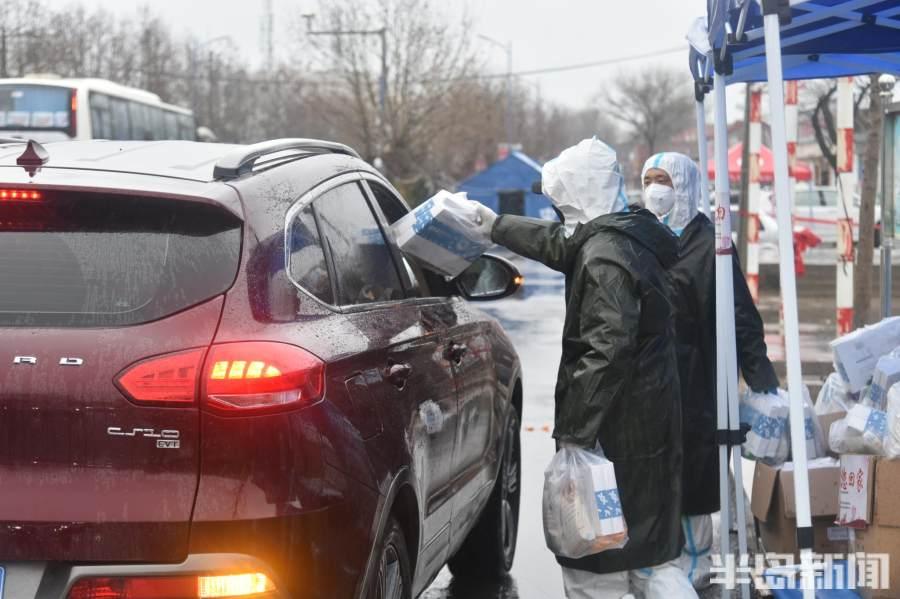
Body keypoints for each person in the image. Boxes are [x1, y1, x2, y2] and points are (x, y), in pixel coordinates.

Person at [471, 138, 697, 599]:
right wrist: (495, 225)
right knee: (650, 561)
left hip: (615, 435)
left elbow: (605, 351)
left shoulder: (605, 258)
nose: (558, 212)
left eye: (561, 201)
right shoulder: (624, 235)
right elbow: (564, 244)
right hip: (646, 426)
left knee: (597, 565)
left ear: (579, 195)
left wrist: (575, 433)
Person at [640, 152, 780, 589]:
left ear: (683, 185)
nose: (654, 189)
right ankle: (661, 560)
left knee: (697, 471)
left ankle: (697, 561)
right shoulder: (641, 234)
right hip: (647, 378)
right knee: (652, 469)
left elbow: (740, 314)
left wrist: (762, 382)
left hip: (697, 376)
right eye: (648, 180)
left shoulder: (710, 240)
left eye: (663, 179)